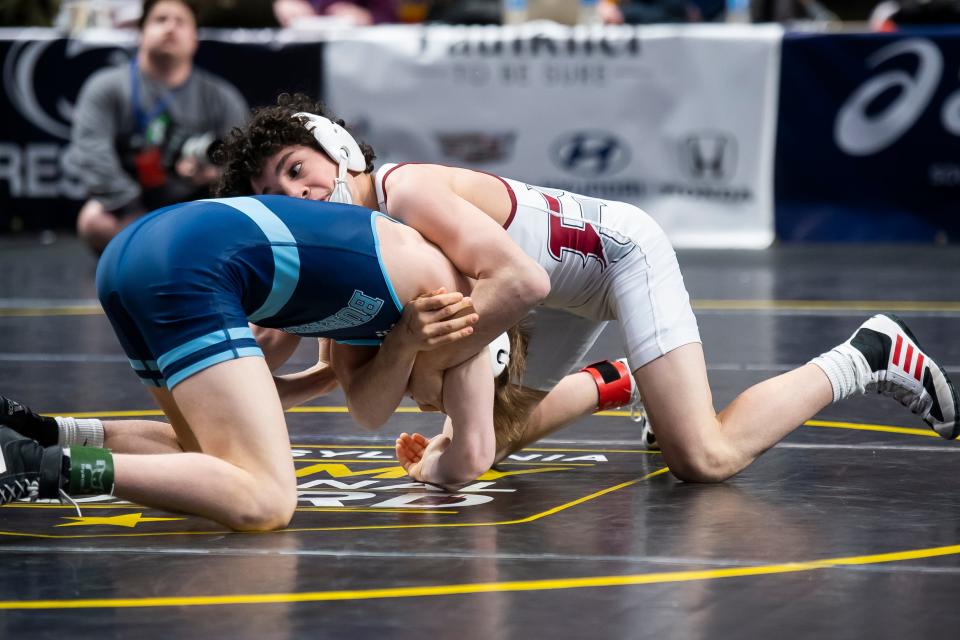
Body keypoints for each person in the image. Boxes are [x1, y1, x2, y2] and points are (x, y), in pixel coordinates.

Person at [214, 93, 958, 487]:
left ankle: (868, 352)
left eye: (293, 166)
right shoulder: (347, 248)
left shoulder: (405, 192)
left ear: (336, 148)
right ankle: (622, 382)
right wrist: (280, 382)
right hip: (549, 297)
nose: (293, 191)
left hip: (615, 257)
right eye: (272, 187)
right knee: (486, 432)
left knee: (702, 458)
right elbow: (358, 384)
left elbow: (520, 278)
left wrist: (426, 363)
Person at [0, 185, 553, 528]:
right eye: (438, 405)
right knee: (265, 502)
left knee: (205, 459)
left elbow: (366, 411)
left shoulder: (394, 321)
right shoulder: (460, 313)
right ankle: (54, 470)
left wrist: (371, 358)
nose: (422, 402)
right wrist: (433, 458)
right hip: (189, 266)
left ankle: (45, 435)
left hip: (137, 251)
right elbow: (473, 453)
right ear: (482, 358)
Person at [65, 0, 249, 254]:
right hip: (132, 205)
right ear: (140, 32)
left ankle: (153, 251)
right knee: (93, 220)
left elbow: (243, 162)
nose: (170, 28)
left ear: (195, 38)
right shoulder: (106, 86)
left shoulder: (221, 96)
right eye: (161, 19)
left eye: (181, 22)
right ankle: (177, 250)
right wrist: (132, 208)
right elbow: (91, 153)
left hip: (195, 205)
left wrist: (211, 176)